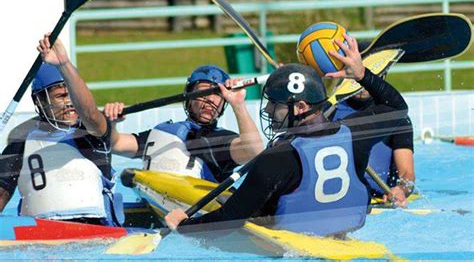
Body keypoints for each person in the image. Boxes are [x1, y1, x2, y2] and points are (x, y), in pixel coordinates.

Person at [164, 35, 409, 237]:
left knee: (234, 202)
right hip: (344, 233)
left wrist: (184, 225)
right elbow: (398, 107)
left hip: (289, 240)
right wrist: (362, 74)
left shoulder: (277, 157)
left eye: (275, 104)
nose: (269, 110)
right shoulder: (356, 131)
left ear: (301, 107)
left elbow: (228, 221)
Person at [0, 35, 124, 225]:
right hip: (38, 235)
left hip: (95, 230)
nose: (69, 103)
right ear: (40, 102)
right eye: (60, 96)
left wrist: (64, 64)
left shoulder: (93, 134)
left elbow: (90, 114)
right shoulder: (22, 143)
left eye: (72, 95)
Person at [105, 64, 264, 183]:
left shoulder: (219, 141)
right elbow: (116, 144)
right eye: (204, 92)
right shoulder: (164, 133)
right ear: (188, 97)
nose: (210, 99)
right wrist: (111, 123)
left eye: (217, 94)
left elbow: (253, 152)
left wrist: (238, 104)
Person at [330, 40, 415, 207]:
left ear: (382, 74)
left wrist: (401, 189)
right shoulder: (329, 113)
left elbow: (407, 175)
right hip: (342, 200)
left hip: (379, 201)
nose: (360, 85)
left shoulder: (397, 118)